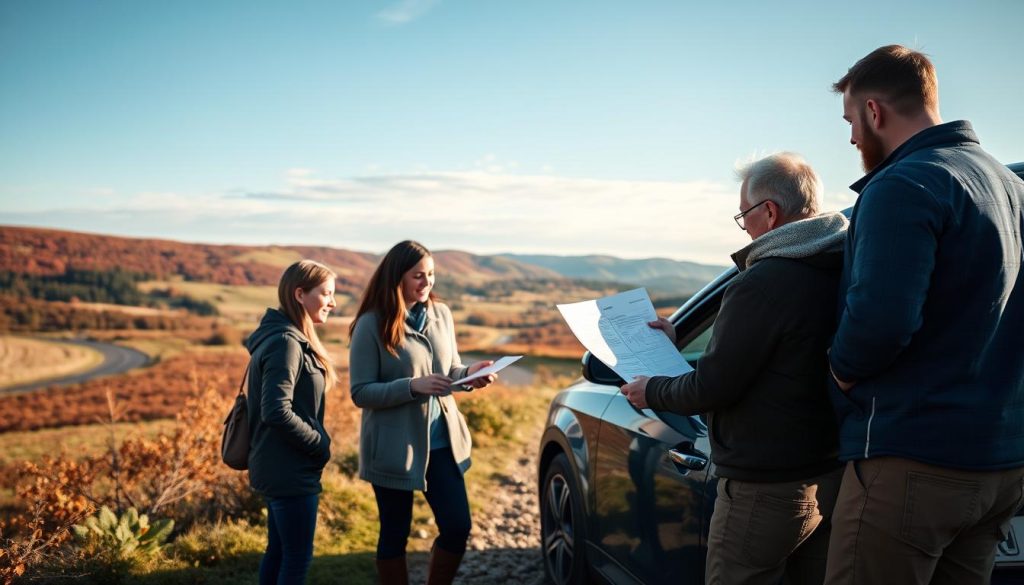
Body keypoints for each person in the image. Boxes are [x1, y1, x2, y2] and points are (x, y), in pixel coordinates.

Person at [824, 45, 1024, 585]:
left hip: (914, 462)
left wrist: (841, 372)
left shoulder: (903, 184)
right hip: (1002, 464)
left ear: (873, 111)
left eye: (850, 120)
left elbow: (881, 321)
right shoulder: (1011, 187)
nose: (851, 139)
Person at [620, 152, 849, 585]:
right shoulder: (841, 266)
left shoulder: (761, 282)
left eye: (744, 215)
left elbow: (712, 386)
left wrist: (651, 391)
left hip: (764, 488)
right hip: (829, 477)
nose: (744, 227)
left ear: (768, 211)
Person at [348, 240, 497, 585]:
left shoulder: (441, 314)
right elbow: (360, 392)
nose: (427, 282)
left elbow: (450, 370)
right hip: (393, 448)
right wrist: (412, 386)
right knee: (394, 533)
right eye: (418, 276)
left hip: (442, 442)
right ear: (396, 278)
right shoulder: (371, 324)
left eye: (430, 274)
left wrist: (471, 376)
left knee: (458, 527)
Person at [246, 259, 338, 585]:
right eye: (326, 294)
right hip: (289, 469)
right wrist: (319, 444)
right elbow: (276, 410)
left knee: (280, 552)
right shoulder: (286, 342)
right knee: (296, 559)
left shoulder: (288, 337)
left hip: (279, 465)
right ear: (300, 294)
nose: (333, 302)